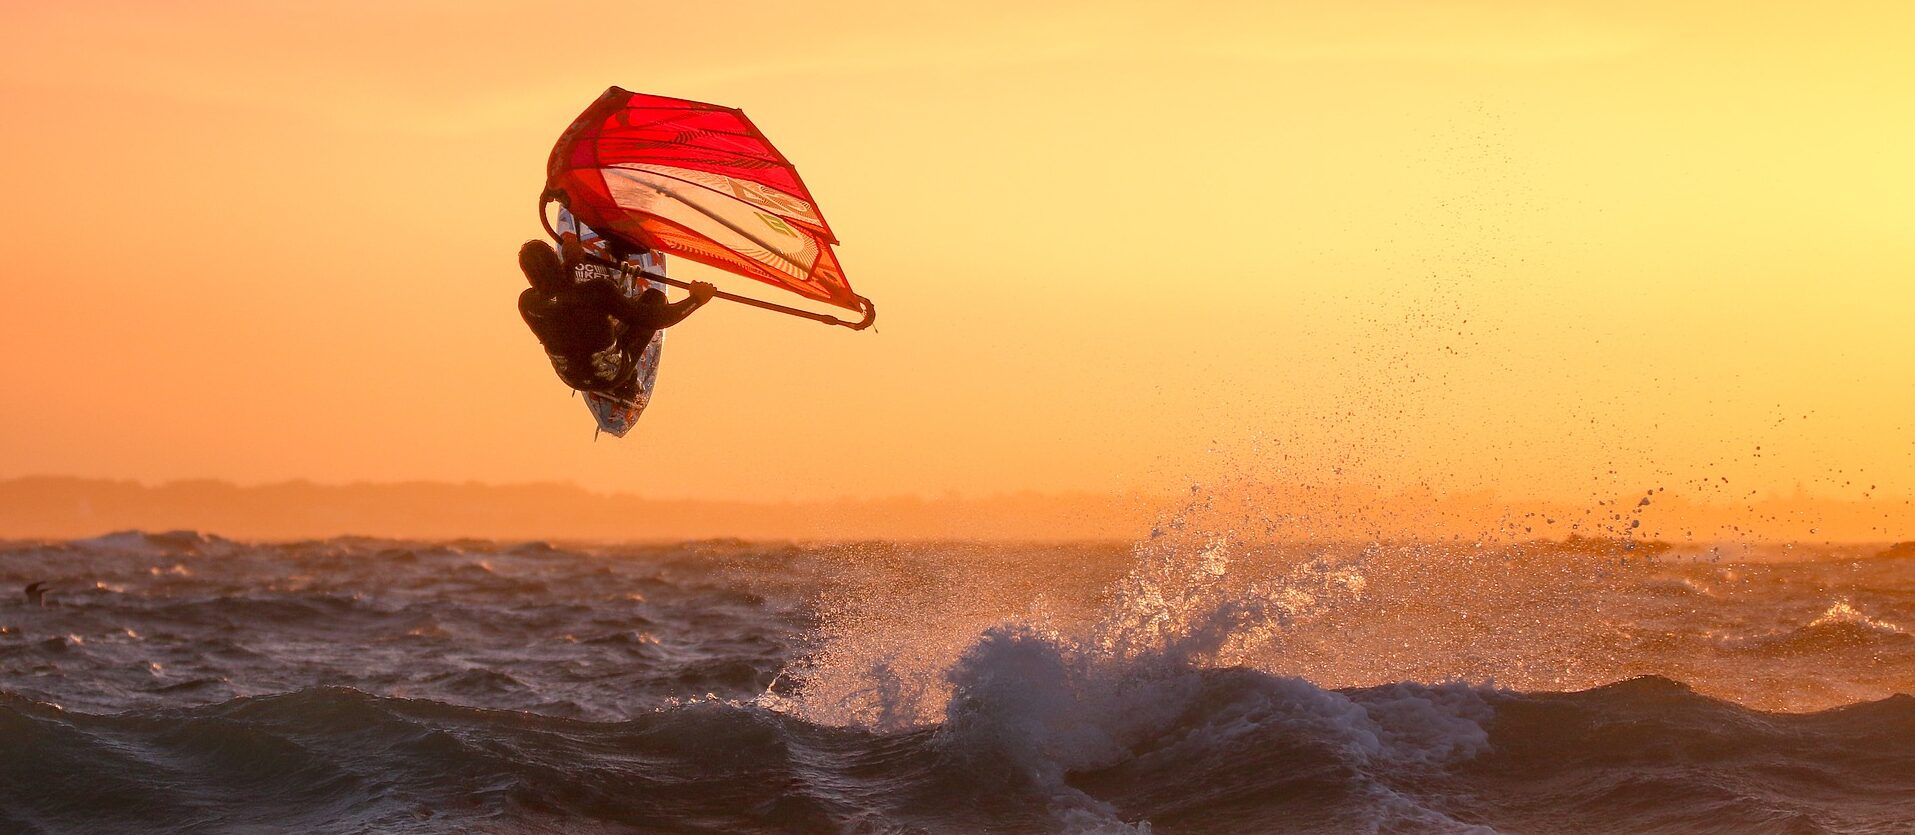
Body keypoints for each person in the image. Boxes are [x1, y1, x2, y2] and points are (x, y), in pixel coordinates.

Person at [517, 238, 715, 393]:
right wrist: (696, 300)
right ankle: (625, 385)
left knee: (580, 325)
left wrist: (570, 265)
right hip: (612, 375)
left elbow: (561, 302)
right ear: (556, 262)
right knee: (654, 299)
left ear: (529, 277)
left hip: (571, 378)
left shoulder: (527, 304)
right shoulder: (597, 291)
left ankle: (614, 323)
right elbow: (656, 319)